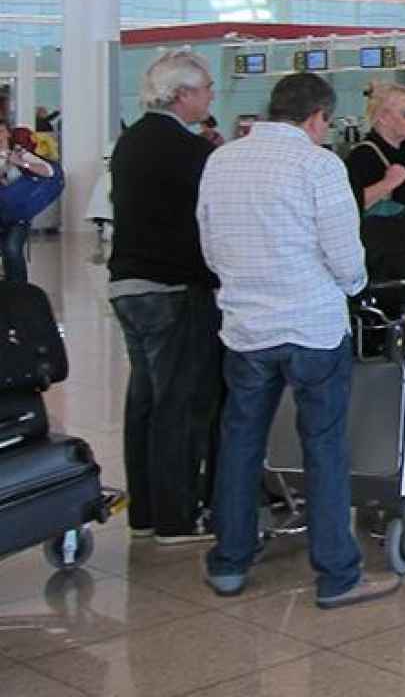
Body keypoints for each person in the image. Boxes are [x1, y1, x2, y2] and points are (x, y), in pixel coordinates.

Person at [198, 72, 398, 609]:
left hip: (246, 330)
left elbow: (211, 246)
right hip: (311, 327)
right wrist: (356, 287)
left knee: (240, 442)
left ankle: (230, 563)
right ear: (318, 118)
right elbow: (343, 253)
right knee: (324, 446)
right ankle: (337, 574)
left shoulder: (221, 161)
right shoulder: (319, 164)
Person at [108, 50, 223, 544]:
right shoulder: (187, 150)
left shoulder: (132, 140)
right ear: (182, 95)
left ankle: (145, 513)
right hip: (172, 289)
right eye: (205, 90)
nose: (210, 97)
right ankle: (177, 517)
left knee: (145, 401)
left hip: (128, 286)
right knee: (179, 402)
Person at [345, 81, 405, 217]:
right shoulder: (363, 156)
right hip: (385, 234)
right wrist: (387, 184)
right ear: (384, 118)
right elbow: (349, 204)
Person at [0, 127, 54, 283]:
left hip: (17, 215)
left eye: (2, 131)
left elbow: (48, 171)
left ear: (8, 134)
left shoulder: (19, 152)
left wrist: (21, 163)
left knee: (12, 249)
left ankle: (19, 292)